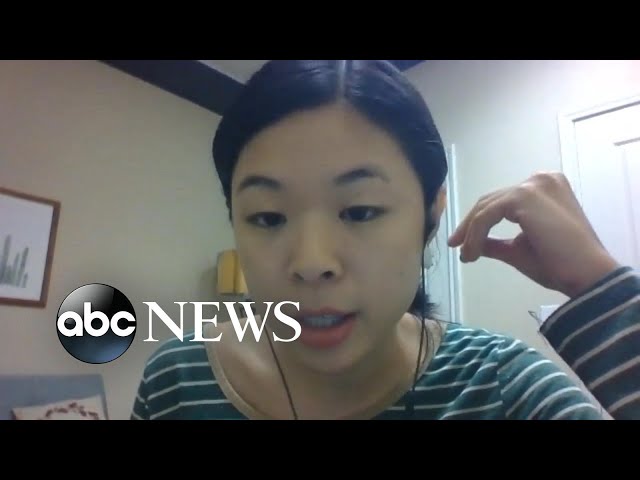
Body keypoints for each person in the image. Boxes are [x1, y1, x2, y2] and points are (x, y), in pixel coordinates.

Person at [130, 60, 639, 420]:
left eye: (360, 211)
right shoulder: (178, 381)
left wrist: (602, 289)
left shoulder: (503, 389)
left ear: (432, 214)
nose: (311, 262)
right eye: (267, 217)